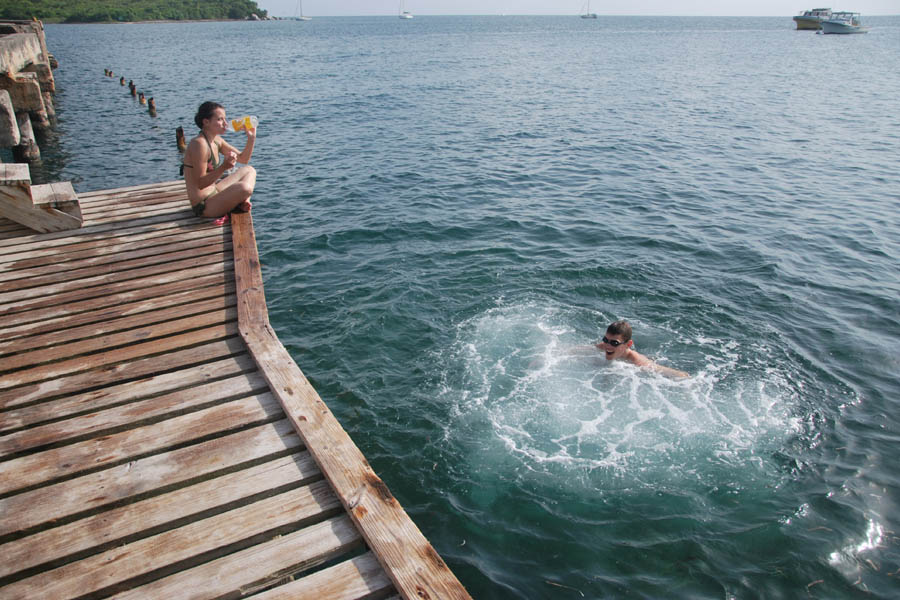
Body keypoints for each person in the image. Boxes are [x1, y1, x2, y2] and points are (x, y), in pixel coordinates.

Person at [182, 101, 257, 219]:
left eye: (225, 119)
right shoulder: (199, 144)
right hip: (204, 206)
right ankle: (242, 200)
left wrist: (251, 139)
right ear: (206, 122)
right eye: (220, 119)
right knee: (244, 188)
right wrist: (224, 167)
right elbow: (201, 184)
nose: (225, 124)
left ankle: (244, 201)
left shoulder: (216, 140)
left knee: (249, 170)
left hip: (215, 192)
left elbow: (243, 159)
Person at [574, 320, 689, 379]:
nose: (608, 345)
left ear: (628, 344)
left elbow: (669, 372)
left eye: (614, 343)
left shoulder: (637, 361)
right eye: (606, 339)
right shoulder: (605, 346)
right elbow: (577, 350)